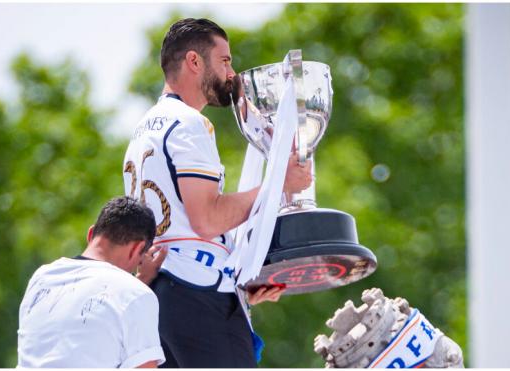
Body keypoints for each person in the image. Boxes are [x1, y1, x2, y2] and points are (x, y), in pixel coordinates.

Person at [123, 18, 313, 367]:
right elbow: (206, 220)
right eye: (225, 61)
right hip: (196, 294)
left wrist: (239, 284)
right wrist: (279, 185)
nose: (231, 73)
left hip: (161, 295)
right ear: (195, 61)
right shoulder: (188, 123)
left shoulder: (144, 127)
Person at [17, 196, 168, 368]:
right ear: (137, 248)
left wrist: (141, 281)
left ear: (91, 234)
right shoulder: (137, 295)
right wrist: (140, 287)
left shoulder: (42, 277)